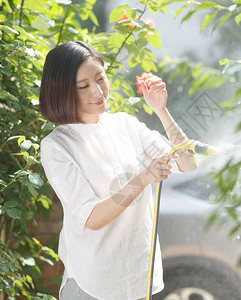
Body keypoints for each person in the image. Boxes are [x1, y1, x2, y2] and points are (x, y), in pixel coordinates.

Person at [39, 41, 197, 300]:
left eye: (100, 78)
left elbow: (188, 163)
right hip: (93, 284)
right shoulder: (57, 146)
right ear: (62, 92)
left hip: (139, 278)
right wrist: (144, 177)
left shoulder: (126, 124)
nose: (98, 90)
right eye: (84, 86)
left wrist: (162, 110)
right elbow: (92, 217)